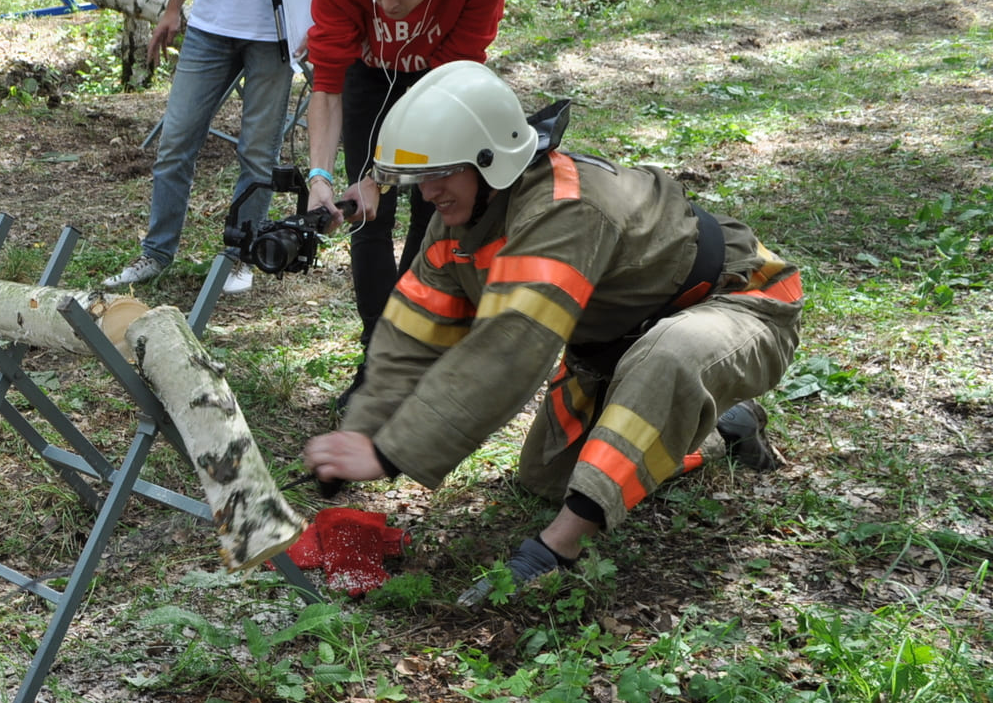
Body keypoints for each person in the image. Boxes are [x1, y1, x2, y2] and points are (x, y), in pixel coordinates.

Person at [302, 63, 802, 606]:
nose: (429, 192)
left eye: (442, 172)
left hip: (739, 303)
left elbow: (510, 349)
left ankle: (555, 551)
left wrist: (393, 452)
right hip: (615, 345)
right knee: (548, 476)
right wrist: (364, 429)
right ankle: (719, 433)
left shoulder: (565, 210)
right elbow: (412, 337)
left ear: (489, 161)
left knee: (666, 360)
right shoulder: (460, 225)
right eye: (419, 178)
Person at [107, 0, 355, 297]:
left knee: (258, 155)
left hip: (276, 30)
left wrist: (320, 15)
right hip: (210, 23)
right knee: (175, 143)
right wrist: (173, 7)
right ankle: (157, 252)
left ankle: (238, 255)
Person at [302, 0, 509, 355]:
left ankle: (411, 339)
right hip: (367, 70)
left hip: (439, 75)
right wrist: (318, 178)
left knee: (430, 203)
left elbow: (444, 87)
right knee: (367, 215)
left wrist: (385, 173)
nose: (388, 3)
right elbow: (328, 85)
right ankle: (377, 348)